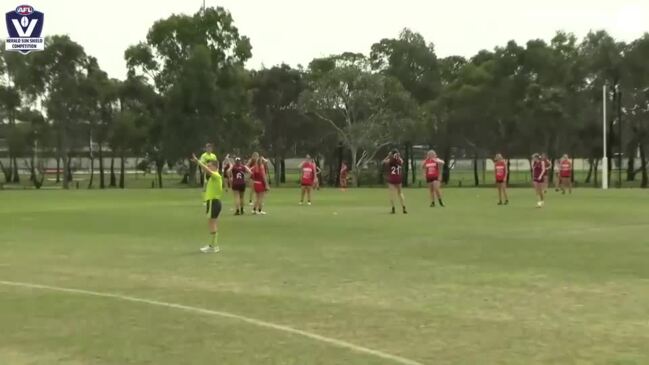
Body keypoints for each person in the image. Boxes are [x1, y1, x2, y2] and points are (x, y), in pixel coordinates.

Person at [192, 153, 223, 253]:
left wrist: (198, 162)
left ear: (214, 167)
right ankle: (214, 245)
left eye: (210, 165)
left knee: (212, 223)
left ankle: (213, 246)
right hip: (214, 202)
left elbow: (207, 170)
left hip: (213, 202)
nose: (208, 167)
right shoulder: (214, 177)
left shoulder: (216, 176)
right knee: (212, 223)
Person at [383, 149, 407, 214]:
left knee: (392, 194)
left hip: (392, 178)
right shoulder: (399, 160)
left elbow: (384, 161)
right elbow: (402, 161)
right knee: (400, 193)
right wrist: (398, 155)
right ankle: (403, 207)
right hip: (398, 178)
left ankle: (393, 208)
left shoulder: (390, 160)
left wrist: (388, 156)